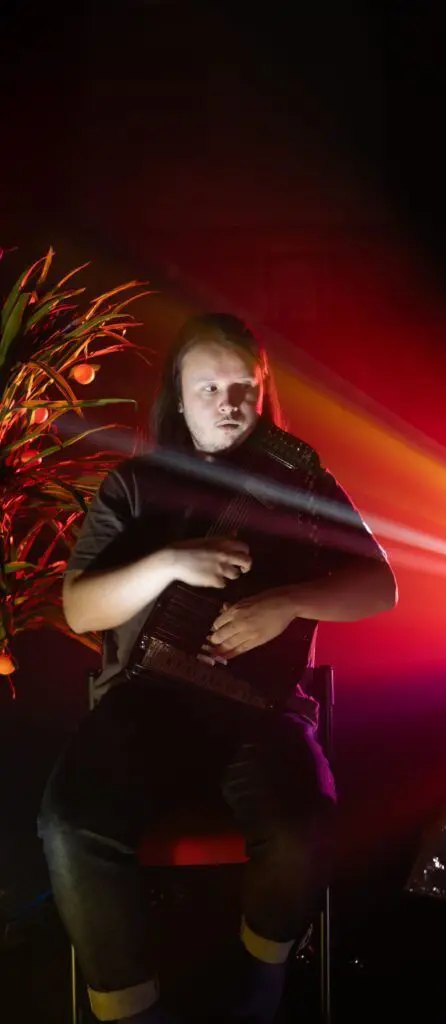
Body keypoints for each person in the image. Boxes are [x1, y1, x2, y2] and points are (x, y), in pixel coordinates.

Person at [38, 312, 397, 1023]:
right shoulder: (133, 485)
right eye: (208, 388)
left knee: (303, 825)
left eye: (243, 389)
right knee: (71, 826)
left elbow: (380, 588)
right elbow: (80, 609)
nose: (228, 405)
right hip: (145, 706)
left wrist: (287, 604)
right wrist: (172, 561)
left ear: (263, 392)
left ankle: (257, 991)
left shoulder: (299, 482)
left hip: (263, 713)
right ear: (177, 395)